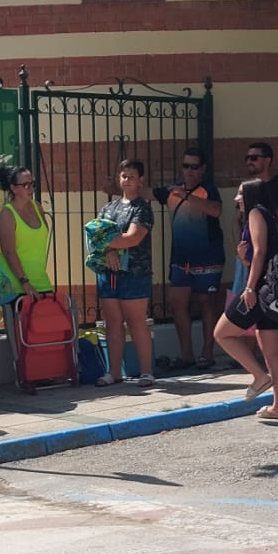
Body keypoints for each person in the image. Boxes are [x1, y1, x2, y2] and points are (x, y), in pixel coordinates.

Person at [215, 173, 278, 420]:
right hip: (272, 288)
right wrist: (243, 258)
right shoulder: (269, 215)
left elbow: (261, 252)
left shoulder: (255, 213)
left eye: (240, 193)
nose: (237, 198)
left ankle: (260, 377)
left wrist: (249, 288)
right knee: (272, 349)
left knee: (222, 333)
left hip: (261, 290)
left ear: (251, 195)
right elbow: (261, 253)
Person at [159, 146, 224, 369]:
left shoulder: (208, 189)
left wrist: (186, 195)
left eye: (194, 167)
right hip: (181, 259)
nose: (189, 170)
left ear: (202, 169)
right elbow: (147, 192)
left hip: (208, 257)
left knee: (207, 303)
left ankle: (208, 352)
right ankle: (186, 354)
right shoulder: (171, 190)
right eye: (185, 165)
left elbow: (216, 210)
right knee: (177, 303)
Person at [96, 160, 157, 387]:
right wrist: (109, 250)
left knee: (136, 322)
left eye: (132, 176)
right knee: (112, 322)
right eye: (123, 176)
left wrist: (111, 247)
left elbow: (133, 237)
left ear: (141, 180)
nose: (127, 180)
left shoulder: (142, 208)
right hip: (108, 272)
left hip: (134, 272)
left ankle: (146, 372)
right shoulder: (108, 208)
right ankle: (114, 372)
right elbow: (95, 234)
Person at [0, 164, 56, 386]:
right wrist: (24, 281)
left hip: (40, 278)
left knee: (44, 329)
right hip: (16, 282)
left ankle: (45, 371)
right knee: (21, 334)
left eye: (32, 183)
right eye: (25, 184)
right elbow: (9, 252)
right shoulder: (7, 214)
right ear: (13, 187)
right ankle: (26, 375)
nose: (30, 188)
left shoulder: (37, 207)